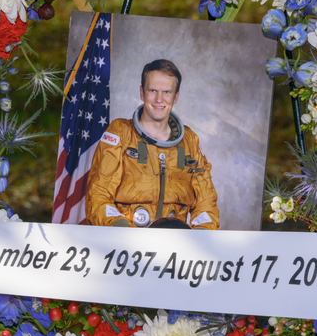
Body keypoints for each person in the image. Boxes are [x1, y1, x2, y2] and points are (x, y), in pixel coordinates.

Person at [85, 59, 219, 229]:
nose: (159, 99)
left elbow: (206, 202)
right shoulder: (120, 132)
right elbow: (98, 194)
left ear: (176, 96)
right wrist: (121, 229)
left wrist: (201, 233)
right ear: (142, 93)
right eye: (153, 90)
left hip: (176, 243)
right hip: (128, 242)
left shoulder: (190, 141)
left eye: (166, 92)